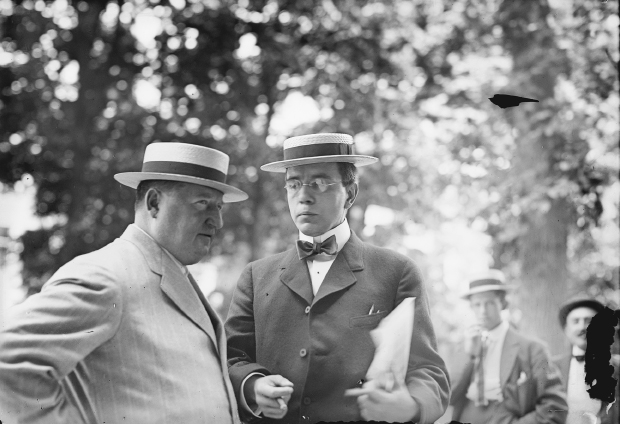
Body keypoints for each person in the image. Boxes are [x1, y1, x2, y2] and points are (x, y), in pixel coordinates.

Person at [0, 142, 247, 423]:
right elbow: (9, 363)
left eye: (219, 207)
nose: (217, 221)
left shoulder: (172, 273)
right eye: (202, 203)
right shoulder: (106, 275)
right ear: (154, 203)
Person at [225, 133, 450, 424]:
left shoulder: (396, 271)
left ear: (351, 193)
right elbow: (231, 358)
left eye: (319, 183)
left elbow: (427, 370)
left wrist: (411, 406)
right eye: (293, 184)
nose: (303, 195)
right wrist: (252, 385)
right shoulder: (256, 276)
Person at [450, 270, 568, 424]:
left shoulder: (533, 349)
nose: (483, 311)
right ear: (471, 307)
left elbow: (555, 406)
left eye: (490, 303)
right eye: (477, 304)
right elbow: (448, 396)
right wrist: (470, 355)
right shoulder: (463, 346)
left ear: (503, 303)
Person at [553, 295, 619, 424]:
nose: (582, 327)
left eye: (589, 321)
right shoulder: (552, 367)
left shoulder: (617, 367)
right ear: (566, 329)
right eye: (576, 321)